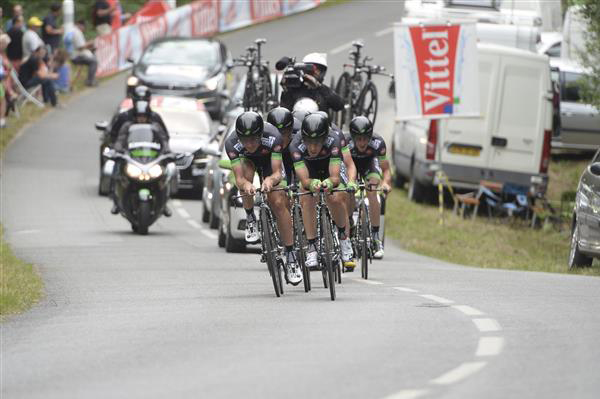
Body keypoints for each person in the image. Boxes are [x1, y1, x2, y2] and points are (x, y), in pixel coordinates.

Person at [225, 111, 302, 285]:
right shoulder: (231, 143)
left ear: (261, 135)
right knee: (246, 174)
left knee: (278, 201)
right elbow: (239, 179)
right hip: (248, 162)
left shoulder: (273, 136)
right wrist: (247, 185)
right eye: (245, 139)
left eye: (254, 139)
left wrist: (269, 181)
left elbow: (277, 172)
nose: (250, 143)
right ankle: (251, 216)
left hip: (269, 162)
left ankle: (290, 256)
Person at [289, 113, 353, 269]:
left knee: (336, 197)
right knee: (306, 198)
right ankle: (311, 246)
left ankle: (344, 238)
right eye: (309, 142)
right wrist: (311, 184)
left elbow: (335, 177)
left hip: (329, 168)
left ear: (324, 138)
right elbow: (304, 180)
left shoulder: (334, 140)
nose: (312, 148)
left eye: (317, 143)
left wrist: (329, 183)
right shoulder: (295, 145)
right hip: (309, 171)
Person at [345, 116, 392, 259]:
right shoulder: (345, 143)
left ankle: (376, 237)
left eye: (365, 138)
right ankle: (349, 220)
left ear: (370, 136)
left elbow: (386, 170)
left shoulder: (378, 143)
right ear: (353, 137)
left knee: (372, 191)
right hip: (350, 165)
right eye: (358, 139)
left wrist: (385, 183)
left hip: (369, 165)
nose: (362, 142)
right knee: (349, 191)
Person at [279, 52, 344, 114]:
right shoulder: (294, 87)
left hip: (320, 123)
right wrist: (286, 90)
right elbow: (285, 109)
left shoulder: (323, 90)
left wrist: (319, 87)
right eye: (311, 69)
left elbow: (339, 106)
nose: (315, 72)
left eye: (318, 70)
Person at [69, 19, 98, 87]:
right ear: (80, 25)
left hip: (76, 54)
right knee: (93, 61)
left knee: (93, 57)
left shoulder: (74, 31)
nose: (84, 29)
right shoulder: (77, 32)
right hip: (76, 56)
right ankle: (90, 81)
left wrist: (89, 47)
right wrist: (89, 43)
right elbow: (80, 47)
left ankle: (91, 79)